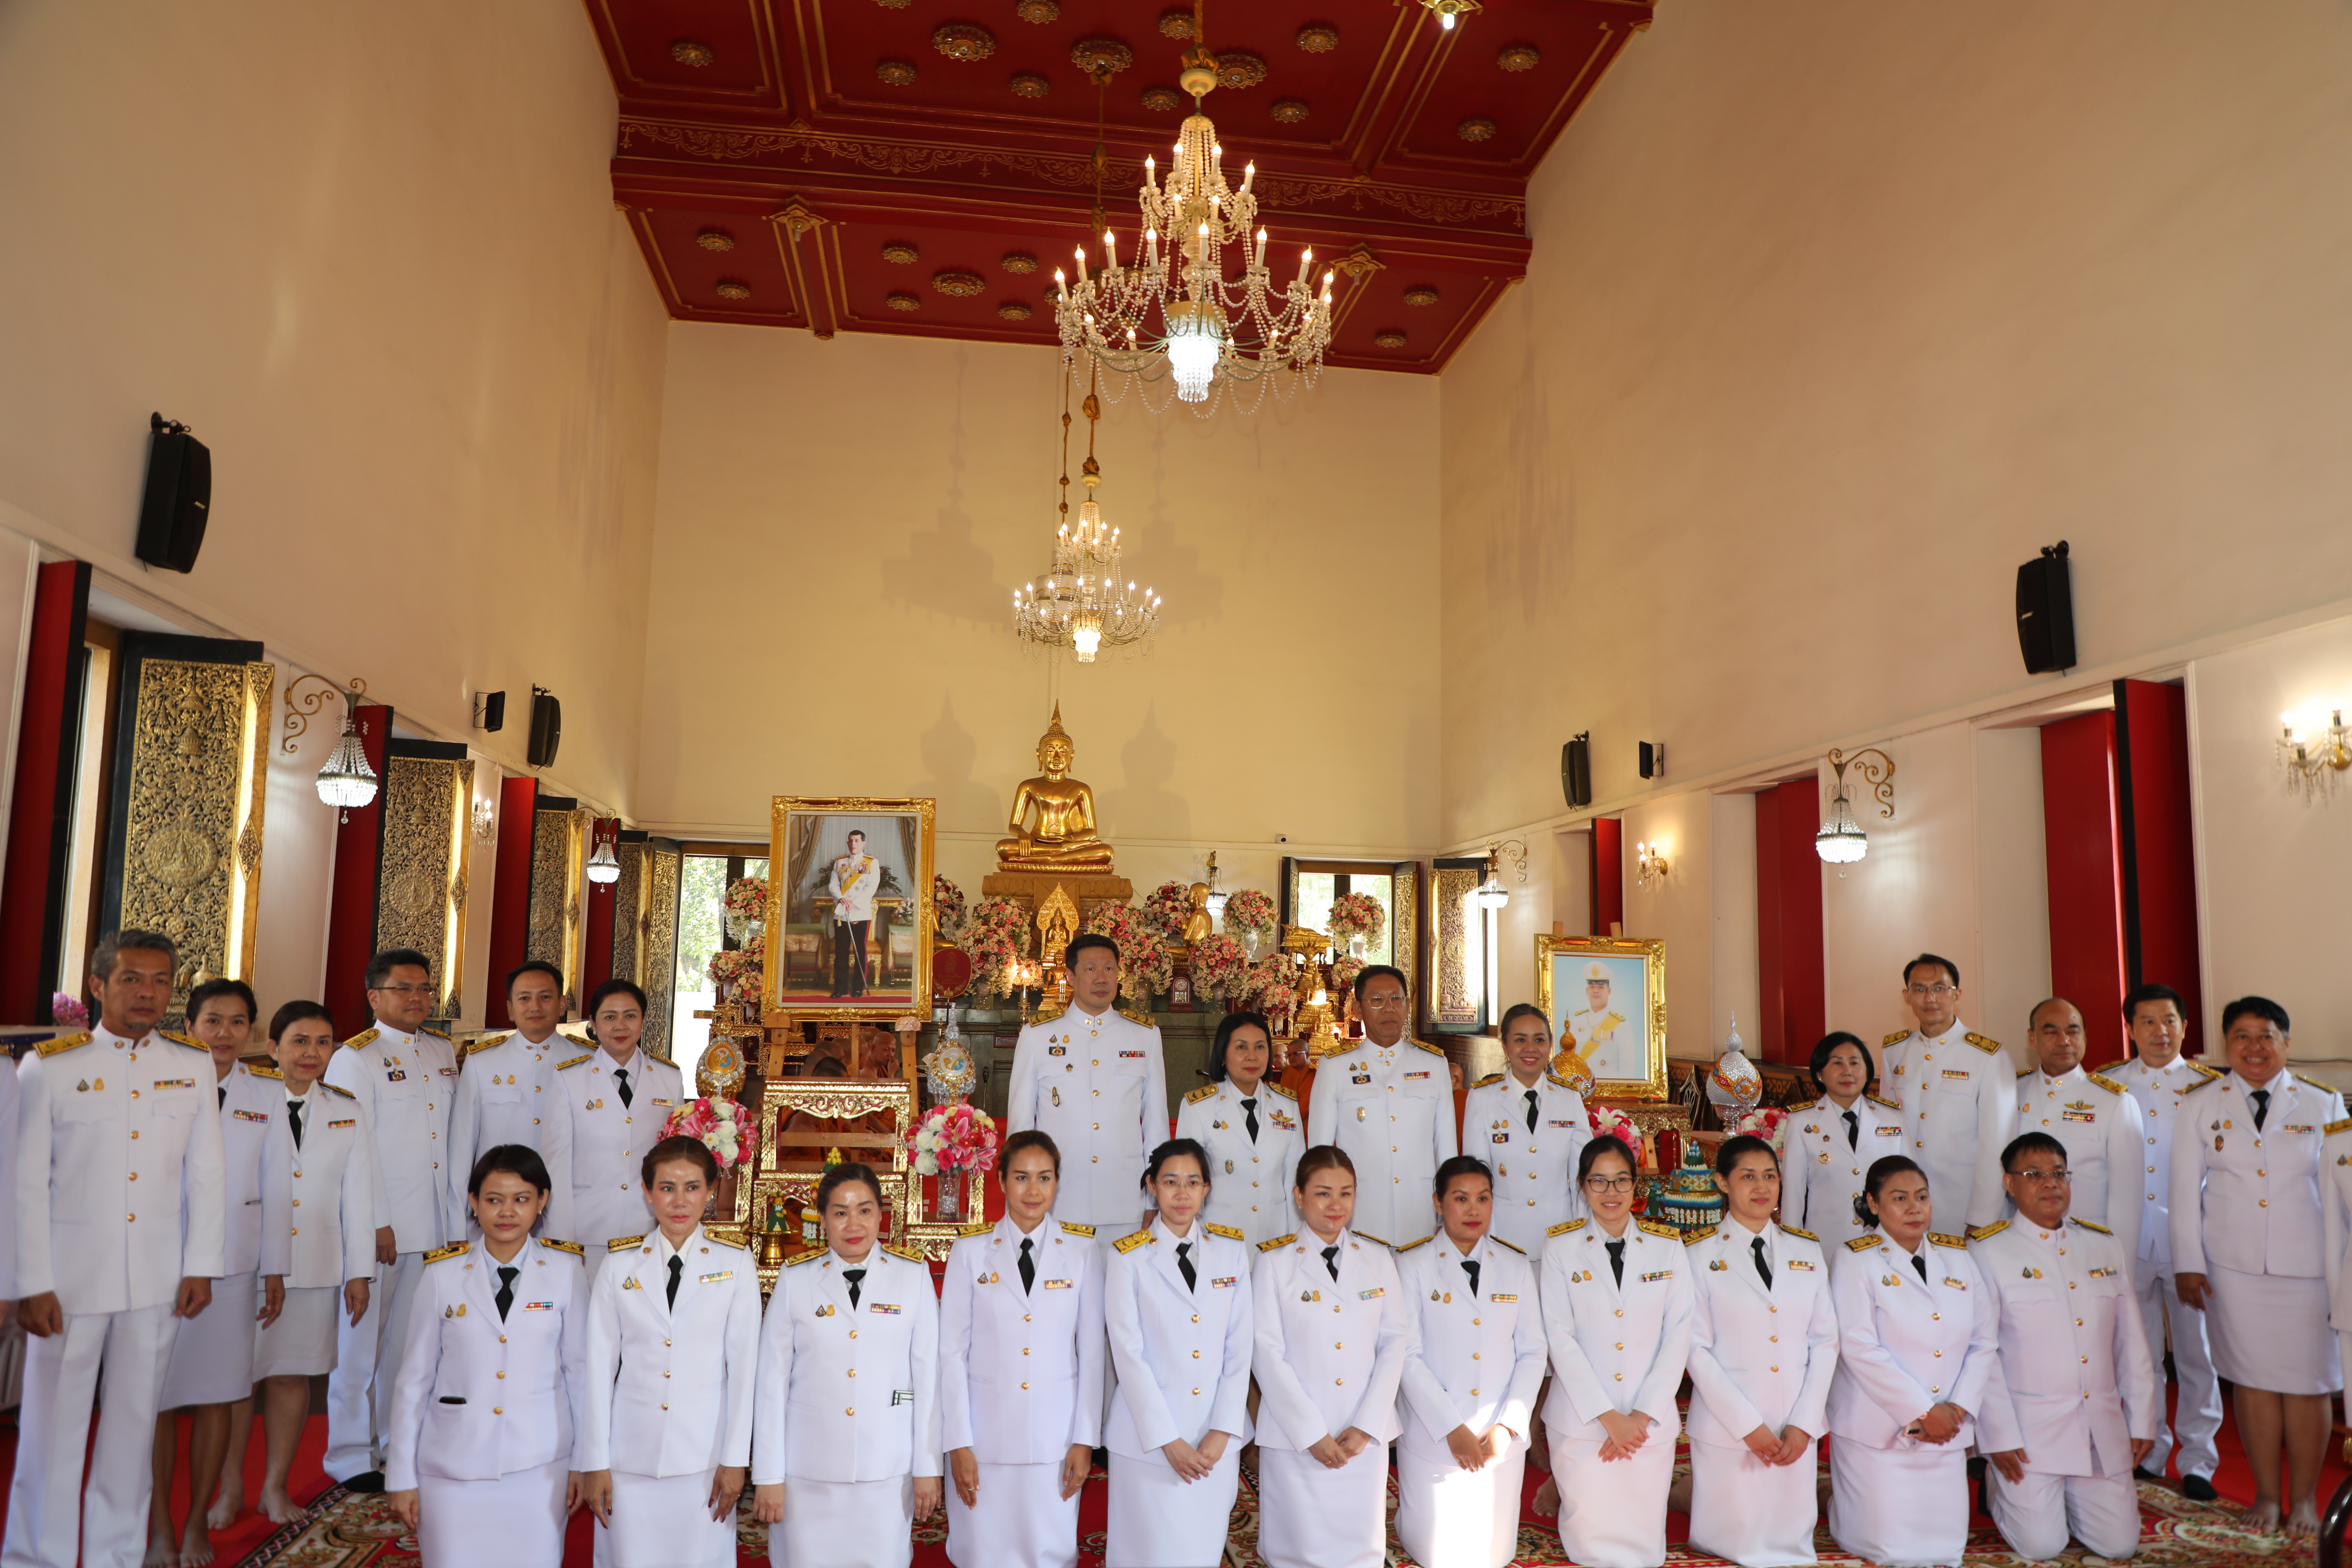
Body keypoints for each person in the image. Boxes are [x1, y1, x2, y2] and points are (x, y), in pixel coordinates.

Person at [6, 930, 225, 1568]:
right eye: (132, 979)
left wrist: (201, 1265)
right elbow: (23, 1185)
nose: (148, 993)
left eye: (160, 981)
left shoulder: (190, 1064)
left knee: (132, 1432)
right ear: (98, 985)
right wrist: (31, 1280)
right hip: (66, 1285)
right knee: (52, 1433)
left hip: (158, 1280)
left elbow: (206, 1176)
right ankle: (34, 1559)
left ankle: (116, 1556)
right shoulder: (51, 1066)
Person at [2169, 995, 2347, 1538]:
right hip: (2235, 1270)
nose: (2254, 1047)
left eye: (2266, 1035)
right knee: (2251, 1382)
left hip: (2310, 1269)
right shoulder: (2200, 1103)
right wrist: (2188, 1263)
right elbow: (2182, 1192)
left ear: (2286, 1044)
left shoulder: (2324, 1104)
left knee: (2309, 1384)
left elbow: (2344, 1195)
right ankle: (2268, 1498)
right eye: (2242, 1036)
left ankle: (2305, 1503)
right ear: (2227, 1045)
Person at [386, 1144, 590, 1566]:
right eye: (494, 1200)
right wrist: (401, 1475)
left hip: (539, 1464)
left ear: (542, 1201)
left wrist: (584, 1462)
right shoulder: (442, 1274)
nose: (507, 1213)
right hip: (452, 1465)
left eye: (522, 1200)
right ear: (474, 1203)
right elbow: (414, 1381)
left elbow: (580, 1372)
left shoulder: (566, 1272)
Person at [1972, 1132, 2158, 1562]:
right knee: (2042, 1545)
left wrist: (2142, 1419)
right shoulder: (1988, 1250)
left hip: (2100, 1430)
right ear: (2009, 1183)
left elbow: (2132, 1342)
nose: (2050, 1184)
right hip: (2030, 1434)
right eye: (2034, 1175)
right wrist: (1997, 1436)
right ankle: (1997, 1488)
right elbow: (1983, 1353)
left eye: (2058, 1173)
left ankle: (2070, 1499)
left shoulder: (2103, 1244)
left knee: (2119, 1545)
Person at [579, 1135, 759, 1568]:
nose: (680, 1201)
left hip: (704, 1458)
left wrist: (736, 1460)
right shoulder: (619, 1265)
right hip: (629, 1455)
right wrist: (594, 1460)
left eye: (693, 1187)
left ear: (712, 1190)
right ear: (647, 1192)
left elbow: (745, 1368)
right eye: (666, 1188)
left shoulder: (734, 1264)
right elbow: (599, 1367)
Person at [149, 977, 280, 1568]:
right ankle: (157, 1528)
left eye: (236, 1023)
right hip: (157, 1263)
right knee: (155, 1400)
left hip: (233, 1266)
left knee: (218, 1397)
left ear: (251, 1031)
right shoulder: (158, 1085)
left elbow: (280, 1187)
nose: (225, 1034)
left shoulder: (270, 1094)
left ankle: (198, 1519)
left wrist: (275, 1266)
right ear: (189, 1027)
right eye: (212, 1021)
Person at [752, 1162, 942, 1568]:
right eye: (840, 1212)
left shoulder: (913, 1277)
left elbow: (928, 1381)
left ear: (881, 1214)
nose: (853, 1224)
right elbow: (771, 1382)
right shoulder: (796, 1278)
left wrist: (928, 1465)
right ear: (821, 1219)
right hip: (808, 1471)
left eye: (865, 1210)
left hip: (886, 1469)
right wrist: (768, 1474)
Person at [321, 947, 460, 1490]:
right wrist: (375, 1222)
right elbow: (354, 1148)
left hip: (431, 1226)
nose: (416, 998)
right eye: (403, 988)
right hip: (380, 1228)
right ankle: (351, 1455)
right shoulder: (356, 1057)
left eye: (424, 988)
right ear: (374, 996)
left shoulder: (442, 1050)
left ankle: (393, 1445)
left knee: (408, 1347)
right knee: (361, 1346)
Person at [1824, 1156, 2001, 1568]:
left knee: (1946, 1551)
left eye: (1922, 1197)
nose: (1914, 1208)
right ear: (1872, 1203)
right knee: (1894, 1552)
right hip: (1880, 1430)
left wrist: (1957, 1409)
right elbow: (1859, 1347)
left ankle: (1832, 1495)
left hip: (1947, 1431)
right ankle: (1837, 1501)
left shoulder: (1958, 1256)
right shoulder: (1855, 1259)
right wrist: (1923, 1411)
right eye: (1899, 1198)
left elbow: (1983, 1341)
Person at [939, 1130, 1103, 1568]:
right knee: (981, 1550)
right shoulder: (970, 1251)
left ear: (1058, 1182)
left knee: (1049, 1549)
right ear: (1001, 1181)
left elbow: (1091, 1353)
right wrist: (957, 1441)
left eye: (1045, 1178)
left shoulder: (1084, 1251)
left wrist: (1084, 1439)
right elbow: (951, 1352)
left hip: (1056, 1435)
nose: (1034, 1190)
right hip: (984, 1435)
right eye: (1022, 1177)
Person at [1536, 1135, 1692, 1568]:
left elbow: (1678, 1333)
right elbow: (1559, 1337)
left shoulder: (1668, 1246)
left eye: (1621, 1181)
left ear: (1636, 1185)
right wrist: (1609, 1417)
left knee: (1644, 1548)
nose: (1611, 1193)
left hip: (1648, 1425)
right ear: (1582, 1187)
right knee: (1591, 1548)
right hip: (1584, 1424)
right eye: (1599, 1182)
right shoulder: (1559, 1248)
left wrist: (1638, 1417)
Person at [1250, 1146, 1410, 1568]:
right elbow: (1266, 1351)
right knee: (1298, 1547)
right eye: (1323, 1193)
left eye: (1346, 1193)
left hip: (1361, 1431)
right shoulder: (1274, 1262)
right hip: (1296, 1434)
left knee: (1357, 1546)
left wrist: (1365, 1425)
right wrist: (1311, 1433)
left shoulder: (1378, 1258)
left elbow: (1395, 1341)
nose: (1335, 1205)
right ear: (1299, 1196)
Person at [1683, 1135, 1839, 1568]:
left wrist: (1805, 1422)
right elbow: (1695, 1349)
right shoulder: (1697, 1255)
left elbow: (1825, 1341)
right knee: (1735, 1542)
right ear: (1722, 1183)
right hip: (1729, 1423)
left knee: (1790, 1544)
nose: (1762, 1186)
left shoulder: (1806, 1251)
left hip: (1793, 1418)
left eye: (1770, 1176)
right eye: (1747, 1176)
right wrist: (1747, 1425)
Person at [250, 1002, 378, 1525]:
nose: (311, 1053)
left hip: (317, 1265)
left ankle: (275, 1487)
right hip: (249, 1265)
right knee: (234, 1384)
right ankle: (229, 1485)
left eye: (323, 1042)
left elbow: (359, 1197)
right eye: (299, 1041)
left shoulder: (347, 1109)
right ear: (273, 1047)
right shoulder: (247, 1103)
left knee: (291, 1377)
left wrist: (358, 1272)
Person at [1102, 1139, 1254, 1568]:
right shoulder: (1127, 1257)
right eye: (1171, 1182)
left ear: (1207, 1188)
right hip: (1147, 1440)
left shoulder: (1231, 1252)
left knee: (1201, 1548)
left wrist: (1223, 1429)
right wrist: (1167, 1439)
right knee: (1146, 1550)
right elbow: (1127, 1355)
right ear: (1152, 1186)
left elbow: (1240, 1349)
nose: (1182, 1193)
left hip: (1214, 1439)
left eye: (1192, 1182)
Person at [1393, 1156, 1546, 1568]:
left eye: (1483, 1198)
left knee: (1494, 1556)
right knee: (1438, 1554)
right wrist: (1451, 1427)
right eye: (1461, 1198)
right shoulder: (1412, 1265)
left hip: (1499, 1438)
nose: (1474, 1209)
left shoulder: (1515, 1265)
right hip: (1434, 1436)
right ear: (1438, 1204)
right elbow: (1407, 1356)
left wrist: (1508, 1425)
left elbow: (1533, 1352)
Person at [2106, 981, 2222, 1495]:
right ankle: (2150, 1446)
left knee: (2198, 1353)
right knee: (2140, 1352)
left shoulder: (2211, 1087)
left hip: (2190, 1242)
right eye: (2148, 1022)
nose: (2160, 1031)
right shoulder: (2107, 1085)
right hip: (2128, 1240)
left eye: (2170, 1020)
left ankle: (2199, 1460)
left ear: (2185, 1026)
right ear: (2130, 1028)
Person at [1005, 933, 1169, 1242]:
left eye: (1109, 969)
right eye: (1091, 969)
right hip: (1058, 1201)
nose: (1101, 978)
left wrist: (1154, 1199)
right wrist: (1022, 1198)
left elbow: (1156, 1125)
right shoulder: (1037, 1036)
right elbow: (1021, 1128)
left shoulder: (1144, 1036)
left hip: (1125, 1202)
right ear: (1070, 975)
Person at [1306, 967, 1456, 1246]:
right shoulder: (1335, 1066)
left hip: (1420, 1213)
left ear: (1408, 1005)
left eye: (1396, 999)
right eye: (1377, 1000)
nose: (1389, 1009)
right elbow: (1320, 1153)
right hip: (1359, 1217)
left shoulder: (1434, 1065)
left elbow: (1446, 1148)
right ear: (1358, 1009)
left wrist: (1447, 1210)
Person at [1878, 954, 2015, 1235]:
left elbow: (1998, 1144)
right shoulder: (1895, 1051)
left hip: (1964, 1207)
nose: (1930, 998)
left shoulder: (1988, 1057)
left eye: (1940, 988)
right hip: (1905, 1204)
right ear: (1907, 997)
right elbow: (1887, 1130)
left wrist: (1982, 1217)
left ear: (1957, 994)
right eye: (1920, 989)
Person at [561, 980, 686, 1288]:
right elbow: (556, 1161)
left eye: (630, 1016)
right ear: (593, 1023)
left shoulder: (670, 1078)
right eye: (609, 1017)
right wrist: (561, 1239)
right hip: (588, 1229)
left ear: (644, 1020)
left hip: (650, 1224)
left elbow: (677, 1157)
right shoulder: (569, 1078)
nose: (620, 1026)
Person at [448, 961, 578, 1245]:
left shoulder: (586, 1061)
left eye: (545, 997)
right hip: (498, 1210)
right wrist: (456, 1227)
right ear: (510, 1009)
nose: (535, 1006)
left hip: (565, 1211)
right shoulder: (482, 1061)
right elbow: (461, 1148)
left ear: (562, 1004)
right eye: (524, 998)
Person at [2012, 997, 2149, 1264]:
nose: (2064, 1040)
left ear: (2085, 1036)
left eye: (2073, 1031)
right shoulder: (2012, 1092)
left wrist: (2120, 1271)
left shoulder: (2115, 1101)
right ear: (2032, 1038)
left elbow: (2127, 1203)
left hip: (2086, 1249)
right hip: (2022, 1247)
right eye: (2051, 1031)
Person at [1459, 1003, 1590, 1255]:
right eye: (1520, 1040)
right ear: (1505, 1046)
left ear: (1550, 1045)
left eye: (1539, 1040)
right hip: (1503, 1236)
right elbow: (1476, 1179)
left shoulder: (1569, 1098)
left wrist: (1583, 1235)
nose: (1530, 1049)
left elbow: (1581, 1177)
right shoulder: (1483, 1098)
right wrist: (1484, 1240)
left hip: (1560, 1235)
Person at [1175, 1011, 1303, 1246]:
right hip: (1219, 1238)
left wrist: (1296, 1242)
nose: (1252, 1057)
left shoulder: (1287, 1106)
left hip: (1274, 1237)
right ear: (1223, 1054)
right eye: (1242, 1048)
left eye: (1260, 1047)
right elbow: (1188, 1182)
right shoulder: (1199, 1108)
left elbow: (1294, 1179)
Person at [1780, 1032, 1904, 1260]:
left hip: (1884, 1244)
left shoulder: (1893, 1119)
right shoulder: (1802, 1123)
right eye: (1837, 1063)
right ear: (1819, 1074)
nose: (1847, 1071)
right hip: (1827, 1246)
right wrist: (1793, 1250)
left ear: (1867, 1071)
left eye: (1855, 1063)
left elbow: (1909, 1184)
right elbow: (1793, 1195)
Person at [829, 829, 882, 996]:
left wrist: (854, 903)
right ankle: (841, 988)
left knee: (860, 951)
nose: (854, 844)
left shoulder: (872, 863)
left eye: (857, 841)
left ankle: (858, 987)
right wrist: (841, 899)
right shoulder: (840, 862)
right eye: (851, 841)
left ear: (864, 843)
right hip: (842, 913)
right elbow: (833, 885)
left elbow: (871, 887)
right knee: (841, 952)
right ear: (847, 843)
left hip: (860, 912)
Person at [1563, 961, 1635, 1079]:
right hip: (1581, 1088)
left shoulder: (1622, 1026)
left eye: (1601, 987)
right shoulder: (1577, 1021)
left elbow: (1627, 1070)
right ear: (1587, 991)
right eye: (1592, 987)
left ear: (1609, 991)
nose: (1596, 991)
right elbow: (1570, 1060)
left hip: (1611, 1091)